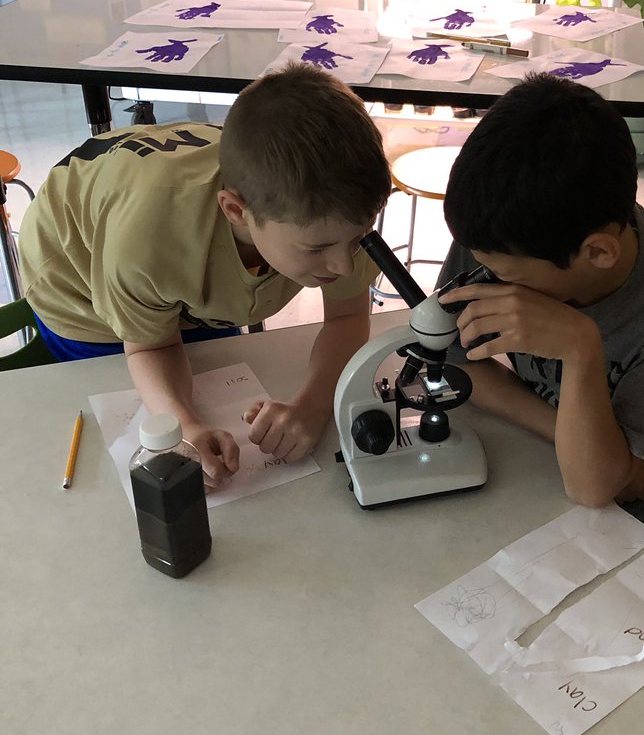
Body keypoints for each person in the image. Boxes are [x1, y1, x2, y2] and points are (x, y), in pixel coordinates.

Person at [18, 63, 392, 485]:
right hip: (75, 283)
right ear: (237, 211)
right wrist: (182, 429)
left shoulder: (328, 215)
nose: (344, 265)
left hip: (167, 255)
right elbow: (147, 348)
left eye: (360, 237)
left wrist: (314, 404)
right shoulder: (150, 238)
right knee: (119, 446)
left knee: (213, 375)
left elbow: (346, 317)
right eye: (318, 249)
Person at [437, 72, 644, 567]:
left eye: (508, 276)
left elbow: (595, 486)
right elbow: (455, 362)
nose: (487, 277)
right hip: (543, 469)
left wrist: (579, 346)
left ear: (597, 252)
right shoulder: (499, 231)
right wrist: (566, 432)